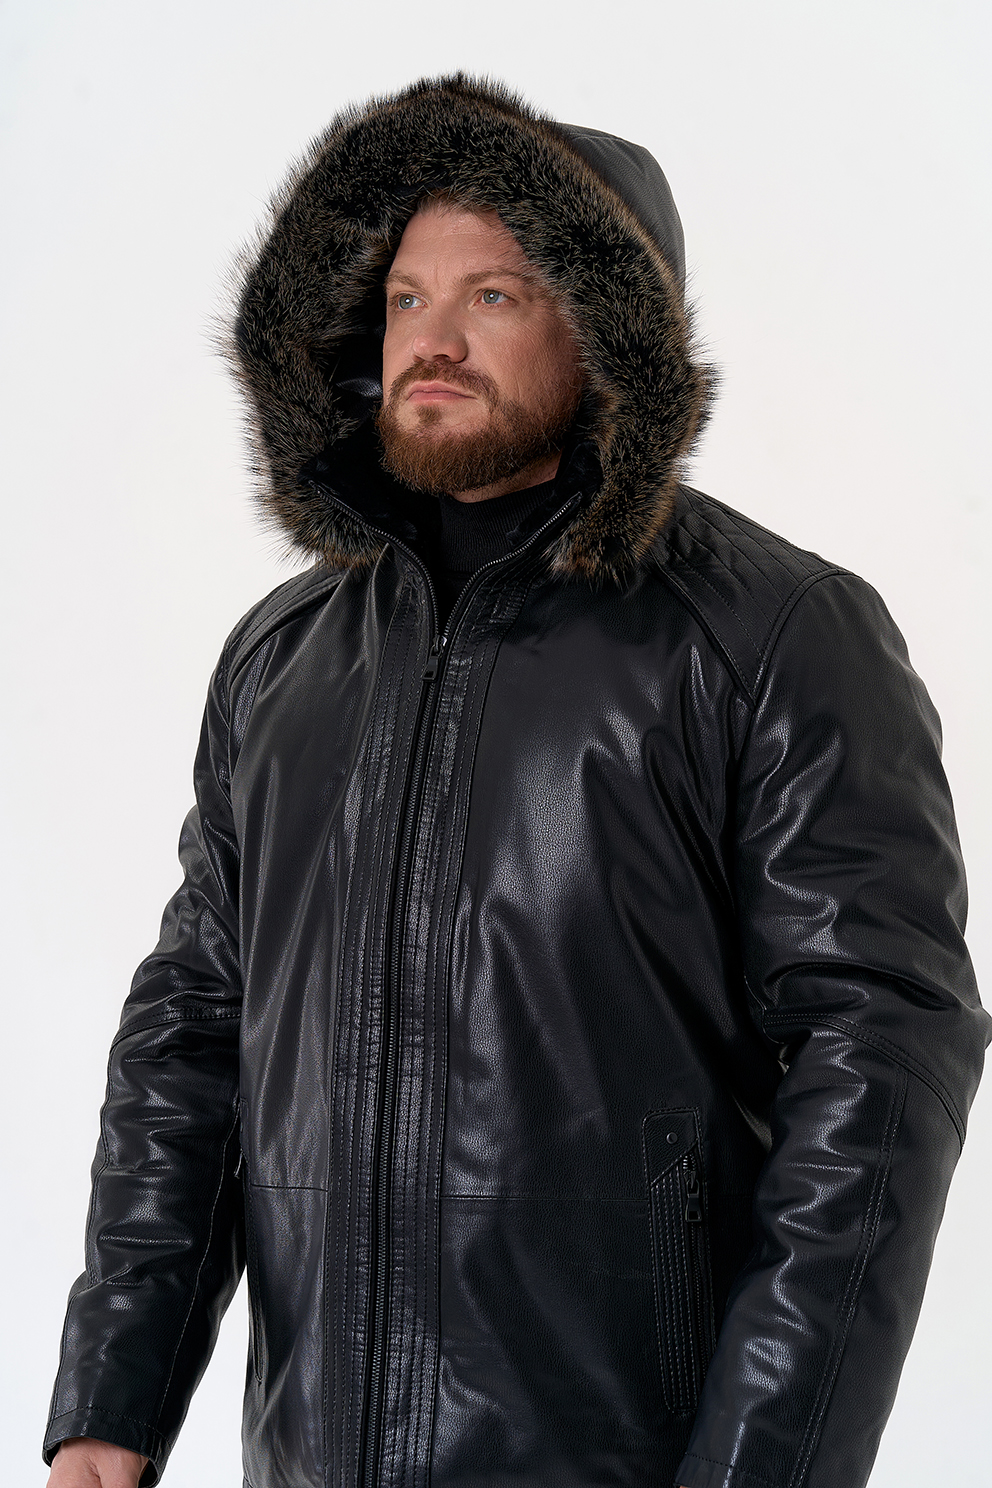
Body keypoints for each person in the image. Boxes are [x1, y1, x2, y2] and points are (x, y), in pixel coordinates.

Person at [44, 73, 988, 1488]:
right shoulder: (285, 660)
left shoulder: (771, 634)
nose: (432, 338)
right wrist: (109, 1406)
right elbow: (193, 1035)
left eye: (493, 294)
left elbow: (881, 1063)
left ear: (606, 329)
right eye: (405, 298)